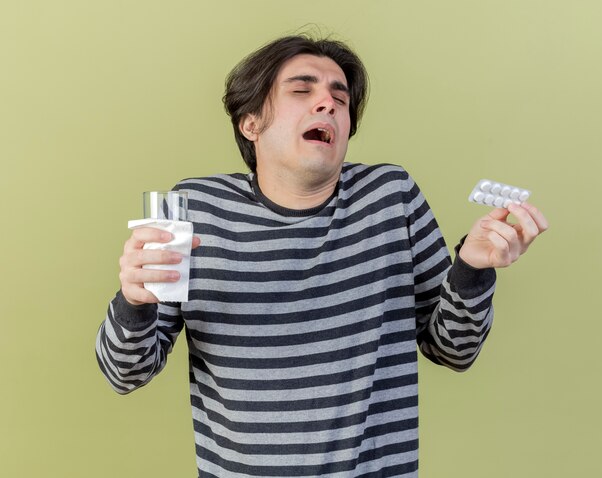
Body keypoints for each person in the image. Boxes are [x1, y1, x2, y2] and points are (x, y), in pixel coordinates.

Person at [96, 34, 548, 477]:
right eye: (301, 89)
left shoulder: (390, 198)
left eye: (340, 97)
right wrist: (134, 301)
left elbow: (454, 350)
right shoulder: (196, 209)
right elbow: (125, 374)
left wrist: (472, 267)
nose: (328, 103)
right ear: (250, 122)